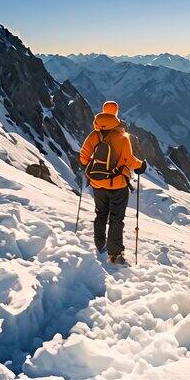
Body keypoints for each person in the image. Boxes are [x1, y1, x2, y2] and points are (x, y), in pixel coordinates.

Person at [79, 101, 147, 263]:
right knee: (116, 219)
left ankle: (99, 244)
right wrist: (141, 166)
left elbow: (83, 156)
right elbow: (129, 160)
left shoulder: (93, 135)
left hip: (97, 184)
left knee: (100, 214)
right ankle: (114, 253)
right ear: (115, 115)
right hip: (118, 185)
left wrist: (92, 169)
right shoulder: (121, 136)